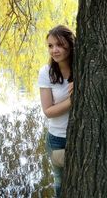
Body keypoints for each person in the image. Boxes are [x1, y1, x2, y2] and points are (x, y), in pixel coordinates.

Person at [37, 25, 75, 197]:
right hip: (58, 139)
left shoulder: (84, 68)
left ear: (71, 44)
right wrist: (73, 100)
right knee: (61, 187)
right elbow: (48, 111)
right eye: (50, 46)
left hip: (83, 136)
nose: (54, 50)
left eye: (59, 45)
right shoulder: (46, 72)